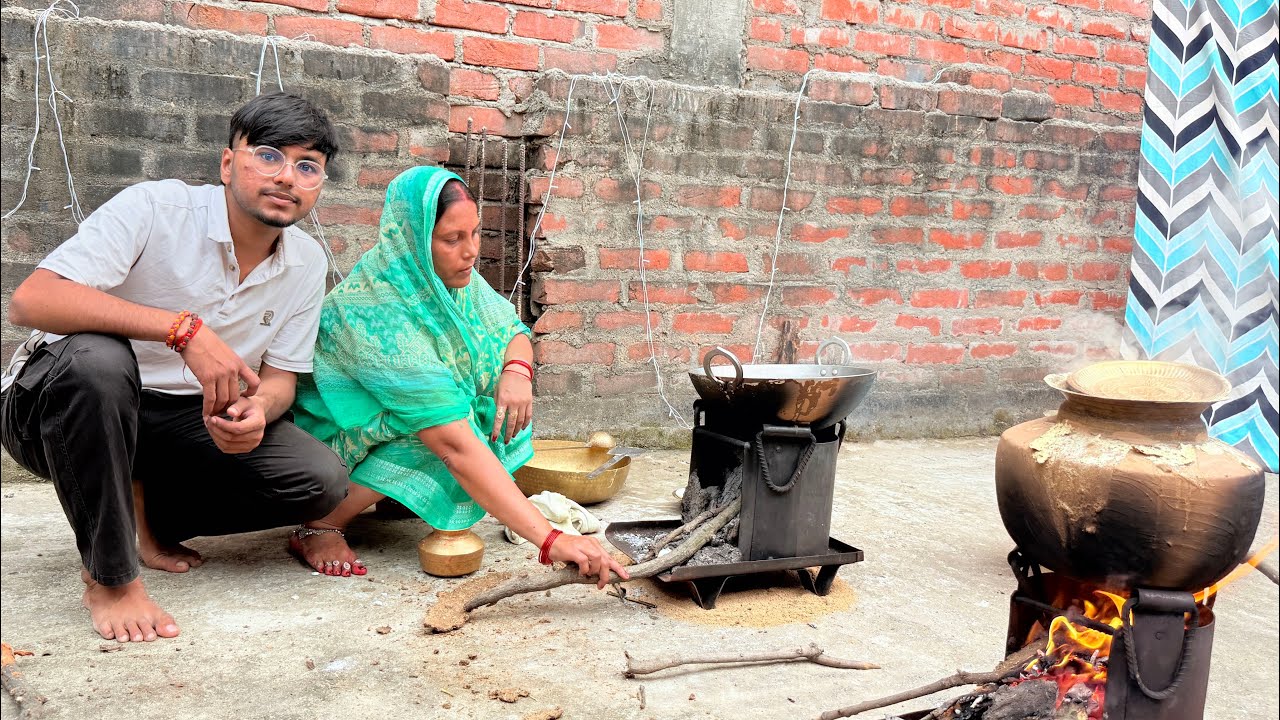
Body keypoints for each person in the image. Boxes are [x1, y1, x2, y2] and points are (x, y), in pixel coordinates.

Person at [0, 93, 349, 643]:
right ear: (228, 164)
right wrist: (180, 329)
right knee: (99, 357)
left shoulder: (306, 261)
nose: (287, 177)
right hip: (58, 406)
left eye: (308, 166)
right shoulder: (156, 208)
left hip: (177, 420)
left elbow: (281, 379)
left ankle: (143, 515)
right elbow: (32, 301)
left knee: (319, 481)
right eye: (269, 156)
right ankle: (110, 577)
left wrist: (256, 410)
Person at [291, 166, 628, 588]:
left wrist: (517, 373)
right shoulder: (372, 310)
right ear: (412, 241)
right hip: (328, 449)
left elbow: (512, 331)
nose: (471, 251)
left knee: (491, 411)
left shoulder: (448, 282)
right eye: (452, 239)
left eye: (475, 234)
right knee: (449, 428)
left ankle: (394, 496)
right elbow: (452, 443)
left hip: (397, 424)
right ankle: (321, 523)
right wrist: (550, 539)